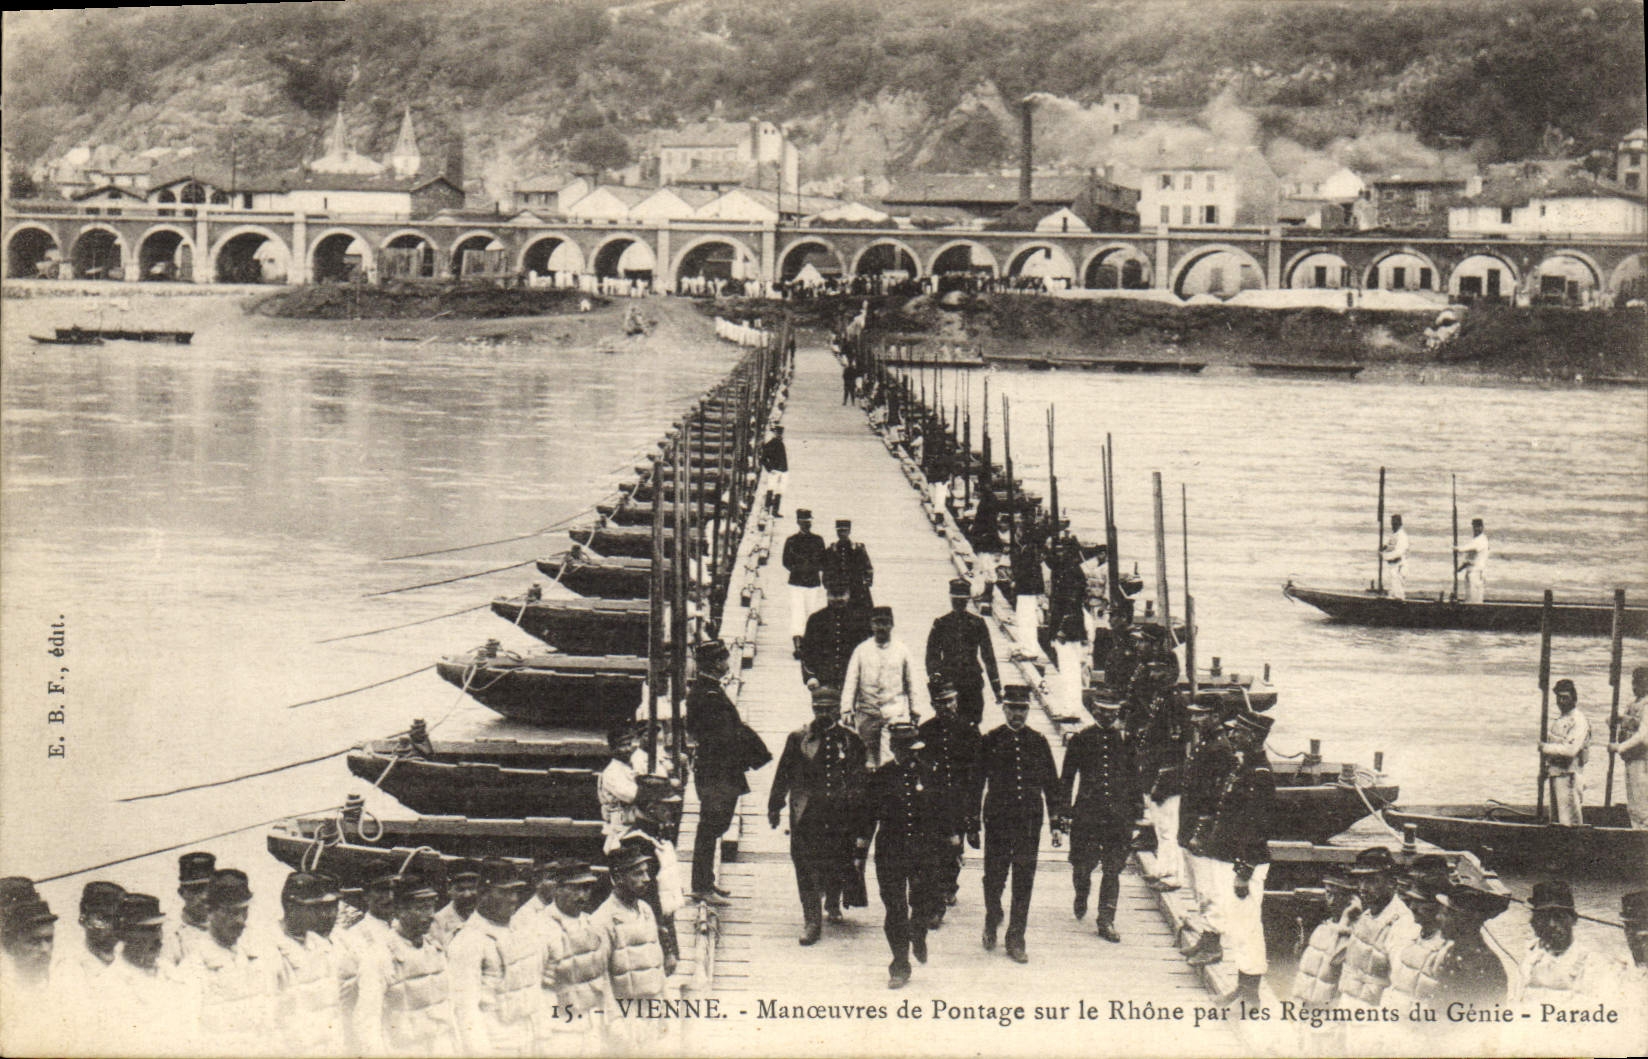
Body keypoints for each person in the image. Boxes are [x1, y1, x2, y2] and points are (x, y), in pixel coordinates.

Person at [1186, 711, 1275, 1005]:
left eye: (1239, 732)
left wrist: (1245, 870)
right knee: (1238, 927)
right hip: (1228, 859)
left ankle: (1250, 993)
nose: (1233, 735)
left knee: (1247, 927)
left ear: (1254, 737)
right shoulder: (1243, 767)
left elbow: (1259, 826)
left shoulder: (1259, 775)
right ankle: (1243, 985)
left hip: (1242, 863)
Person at [769, 686, 869, 944]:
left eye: (828, 709)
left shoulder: (851, 741)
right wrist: (775, 806)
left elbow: (860, 781)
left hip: (839, 814)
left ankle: (833, 900)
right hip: (807, 813)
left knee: (837, 859)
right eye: (818, 709)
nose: (823, 714)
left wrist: (860, 816)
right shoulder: (798, 739)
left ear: (837, 710)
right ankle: (812, 920)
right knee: (805, 865)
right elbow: (783, 773)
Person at [973, 685, 1064, 964]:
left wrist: (1056, 822)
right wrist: (971, 822)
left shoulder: (1039, 742)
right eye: (1013, 708)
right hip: (998, 820)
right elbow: (975, 783)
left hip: (1029, 821)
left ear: (1028, 710)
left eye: (1022, 708)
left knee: (1024, 879)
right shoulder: (990, 740)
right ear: (1004, 709)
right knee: (994, 877)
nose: (1017, 714)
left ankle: (1016, 937)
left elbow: (1052, 784)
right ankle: (992, 917)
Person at [859, 723, 947, 989]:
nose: (912, 755)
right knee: (895, 909)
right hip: (891, 852)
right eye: (906, 750)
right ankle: (900, 964)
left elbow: (942, 811)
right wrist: (859, 850)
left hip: (923, 851)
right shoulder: (882, 776)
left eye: (914, 750)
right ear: (894, 748)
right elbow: (867, 815)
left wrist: (949, 843)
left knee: (922, 903)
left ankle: (918, 934)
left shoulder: (929, 773)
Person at [686, 640, 762, 904]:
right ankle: (701, 887)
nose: (727, 663)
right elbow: (720, 736)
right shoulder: (707, 694)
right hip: (716, 770)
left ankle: (706, 882)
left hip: (717, 769)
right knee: (711, 826)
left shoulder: (708, 690)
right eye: (724, 659)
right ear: (716, 663)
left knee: (715, 825)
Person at [1060, 696, 1141, 942]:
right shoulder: (1081, 739)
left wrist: (1137, 812)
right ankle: (1081, 892)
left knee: (1112, 869)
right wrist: (1064, 811)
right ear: (1094, 711)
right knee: (1082, 865)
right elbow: (1067, 778)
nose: (1108, 716)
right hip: (1087, 814)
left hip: (1118, 816)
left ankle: (1106, 920)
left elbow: (1134, 778)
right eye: (1103, 711)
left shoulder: (1126, 741)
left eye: (1112, 712)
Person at [353, 872, 458, 1056]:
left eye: (431, 907)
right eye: (421, 908)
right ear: (399, 911)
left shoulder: (436, 950)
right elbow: (366, 1022)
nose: (430, 915)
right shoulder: (379, 956)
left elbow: (449, 1008)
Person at [177, 869, 277, 1052]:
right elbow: (188, 1040)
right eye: (231, 912)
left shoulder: (257, 958)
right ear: (209, 911)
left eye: (244, 911)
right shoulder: (192, 969)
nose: (240, 920)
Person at [448, 859, 541, 1056]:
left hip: (527, 1040)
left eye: (515, 892)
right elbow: (466, 1011)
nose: (513, 899)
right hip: (496, 1045)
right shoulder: (468, 940)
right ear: (483, 893)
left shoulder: (520, 930)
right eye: (505, 892)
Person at [593, 844, 675, 1051]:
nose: (647, 879)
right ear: (618, 877)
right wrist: (614, 1021)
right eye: (638, 873)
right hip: (625, 1017)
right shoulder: (602, 920)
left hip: (652, 1013)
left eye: (646, 872)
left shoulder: (646, 910)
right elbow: (600, 977)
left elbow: (656, 965)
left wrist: (665, 1007)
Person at [918, 679, 982, 922]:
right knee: (934, 844)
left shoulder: (969, 730)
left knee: (955, 843)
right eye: (940, 703)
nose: (946, 707)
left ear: (956, 701)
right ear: (933, 705)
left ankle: (949, 884)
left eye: (950, 701)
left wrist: (973, 808)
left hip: (959, 796)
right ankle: (939, 890)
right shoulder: (925, 731)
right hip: (933, 797)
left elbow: (976, 771)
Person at [538, 860, 612, 1052]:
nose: (582, 895)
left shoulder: (592, 924)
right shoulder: (540, 927)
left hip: (592, 1026)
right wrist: (543, 1035)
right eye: (576, 888)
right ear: (557, 889)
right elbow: (535, 987)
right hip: (559, 1031)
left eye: (587, 889)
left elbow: (603, 977)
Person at [271, 872, 347, 1056]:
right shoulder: (270, 948)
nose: (322, 915)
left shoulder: (321, 945)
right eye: (313, 908)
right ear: (291, 906)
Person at [1335, 847, 1415, 1011]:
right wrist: (1345, 921)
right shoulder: (1366, 915)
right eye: (1360, 880)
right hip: (1348, 1010)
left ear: (1392, 883)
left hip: (1373, 1017)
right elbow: (1340, 964)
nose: (1363, 888)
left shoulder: (1402, 924)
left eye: (1371, 881)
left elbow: (1401, 988)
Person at [1516, 879, 1617, 1006]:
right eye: (1544, 917)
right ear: (1535, 922)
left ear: (1573, 919)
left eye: (1559, 917)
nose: (1551, 924)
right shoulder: (1528, 958)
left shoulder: (1593, 963)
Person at [841, 606, 919, 767]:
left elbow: (911, 682)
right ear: (871, 625)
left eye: (885, 623)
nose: (881, 627)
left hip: (893, 715)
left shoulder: (902, 650)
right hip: (866, 715)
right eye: (877, 623)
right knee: (867, 760)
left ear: (892, 624)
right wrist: (846, 709)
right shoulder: (861, 650)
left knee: (888, 760)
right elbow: (851, 681)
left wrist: (915, 710)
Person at [924, 578, 1002, 728]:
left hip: (971, 681)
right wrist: (934, 675)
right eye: (956, 601)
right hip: (948, 681)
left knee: (973, 722)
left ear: (967, 601)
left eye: (962, 601)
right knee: (947, 721)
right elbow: (932, 653)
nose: (959, 605)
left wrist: (996, 686)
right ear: (951, 600)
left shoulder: (978, 623)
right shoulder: (941, 623)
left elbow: (988, 656)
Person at [1382, 856, 1451, 1007]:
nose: (1412, 907)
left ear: (1439, 906)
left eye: (1421, 902)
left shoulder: (1447, 946)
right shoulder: (1403, 928)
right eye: (1412, 900)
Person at [1426, 881, 1510, 1006]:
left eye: (1445, 914)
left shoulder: (1483, 963)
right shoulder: (1452, 950)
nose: (1438, 917)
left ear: (1463, 920)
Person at [54, 880, 124, 1008]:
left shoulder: (128, 962)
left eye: (118, 919)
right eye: (103, 919)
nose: (112, 926)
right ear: (83, 919)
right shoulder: (69, 969)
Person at [800, 582, 872, 694]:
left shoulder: (860, 619)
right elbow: (807, 651)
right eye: (833, 594)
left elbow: (868, 650)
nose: (838, 599)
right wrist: (811, 677)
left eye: (842, 594)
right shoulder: (816, 619)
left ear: (849, 594)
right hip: (824, 682)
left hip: (854, 681)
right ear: (827, 595)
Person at [1540, 678, 1591, 826]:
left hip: (1570, 776)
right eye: (1559, 697)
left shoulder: (1578, 720)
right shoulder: (1560, 720)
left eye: (1565, 697)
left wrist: (1545, 747)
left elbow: (1570, 750)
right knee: (1556, 821)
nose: (1561, 701)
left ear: (1574, 698)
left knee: (1568, 822)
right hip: (1555, 774)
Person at [782, 509, 828, 656]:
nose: (806, 525)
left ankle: (810, 643)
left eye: (808, 522)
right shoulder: (791, 541)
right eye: (803, 522)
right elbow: (786, 561)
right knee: (797, 613)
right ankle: (798, 644)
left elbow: (823, 561)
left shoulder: (818, 540)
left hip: (813, 583)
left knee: (812, 612)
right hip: (796, 583)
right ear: (798, 522)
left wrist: (813, 568)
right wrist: (799, 569)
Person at [1606, 665, 1648, 828]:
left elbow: (1642, 735)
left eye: (1640, 683)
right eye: (1634, 682)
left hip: (1643, 761)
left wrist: (1619, 747)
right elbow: (1627, 721)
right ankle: (1636, 831)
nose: (1635, 686)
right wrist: (1615, 719)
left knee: (1641, 804)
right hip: (1631, 759)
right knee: (1633, 805)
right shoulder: (1632, 703)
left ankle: (1643, 834)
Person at [160, 851, 215, 969]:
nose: (204, 896)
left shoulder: (231, 929)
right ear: (182, 893)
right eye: (196, 890)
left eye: (210, 889)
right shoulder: (170, 934)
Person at [1008, 513, 1048, 660]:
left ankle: (1030, 650)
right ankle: (1024, 645)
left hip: (1028, 590)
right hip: (1025, 589)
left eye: (1019, 530)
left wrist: (1015, 580)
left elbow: (1026, 571)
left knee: (1027, 620)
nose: (1017, 534)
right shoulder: (1027, 549)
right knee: (1022, 619)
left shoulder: (1029, 550)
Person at [824, 518, 875, 611]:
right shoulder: (831, 550)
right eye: (839, 531)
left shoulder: (858, 549)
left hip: (856, 589)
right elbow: (826, 570)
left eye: (845, 530)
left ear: (849, 531)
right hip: (838, 592)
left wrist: (865, 585)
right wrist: (829, 585)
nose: (842, 533)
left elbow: (868, 568)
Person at [430, 860, 483, 948]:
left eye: (472, 888)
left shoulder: (488, 915)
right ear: (449, 889)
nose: (467, 894)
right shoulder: (438, 922)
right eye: (460, 889)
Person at [1453, 517, 1489, 604]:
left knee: (1475, 600)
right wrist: (1459, 569)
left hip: (1477, 573)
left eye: (1478, 527)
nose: (1476, 529)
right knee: (1469, 598)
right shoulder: (1475, 540)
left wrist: (1457, 549)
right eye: (1474, 527)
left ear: (1482, 528)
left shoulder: (1482, 540)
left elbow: (1469, 548)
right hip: (1471, 572)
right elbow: (1469, 559)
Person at [760, 424, 788, 517]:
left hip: (783, 470)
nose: (780, 435)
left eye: (780, 433)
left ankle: (774, 510)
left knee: (779, 491)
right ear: (774, 433)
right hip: (775, 471)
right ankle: (768, 509)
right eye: (778, 433)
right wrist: (770, 469)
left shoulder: (779, 443)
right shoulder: (771, 444)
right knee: (771, 490)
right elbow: (763, 459)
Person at [1381, 514, 1409, 600]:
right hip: (1393, 566)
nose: (1393, 526)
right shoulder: (1394, 535)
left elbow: (1398, 552)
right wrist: (1384, 548)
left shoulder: (1402, 536)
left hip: (1399, 565)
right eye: (1392, 524)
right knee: (1392, 591)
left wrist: (1385, 556)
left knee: (1398, 593)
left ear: (1399, 524)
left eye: (1395, 524)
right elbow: (1389, 545)